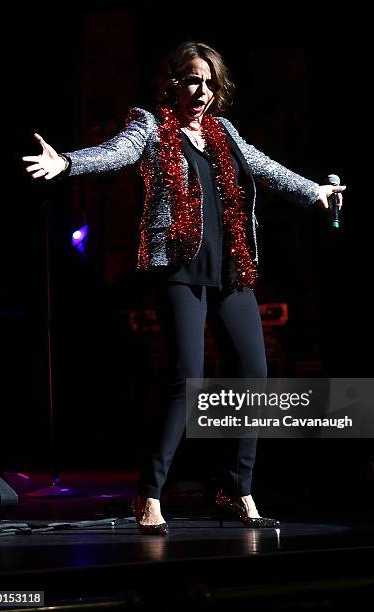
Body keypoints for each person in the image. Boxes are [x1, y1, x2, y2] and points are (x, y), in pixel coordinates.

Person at [23, 41, 345, 535]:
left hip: (231, 268)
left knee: (255, 376)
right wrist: (67, 163)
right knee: (186, 379)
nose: (203, 91)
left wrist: (315, 190)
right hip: (178, 267)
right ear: (173, 81)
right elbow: (116, 153)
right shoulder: (150, 126)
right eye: (194, 80)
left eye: (211, 83)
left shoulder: (223, 132)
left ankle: (237, 488)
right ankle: (149, 494)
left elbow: (264, 166)